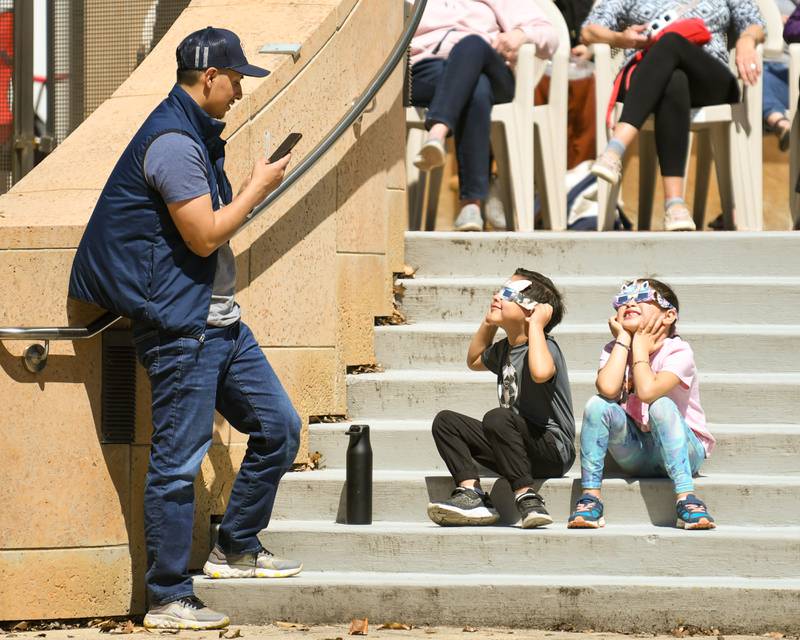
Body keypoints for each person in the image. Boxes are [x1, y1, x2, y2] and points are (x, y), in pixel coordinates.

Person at [69, 27, 302, 630]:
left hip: (220, 320)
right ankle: (169, 596)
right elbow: (203, 234)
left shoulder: (194, 133)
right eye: (235, 82)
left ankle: (239, 545)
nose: (239, 94)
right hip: (183, 327)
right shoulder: (173, 141)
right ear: (209, 78)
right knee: (177, 463)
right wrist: (257, 187)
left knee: (279, 426)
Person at [582, 0, 766, 231]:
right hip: (649, 81)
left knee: (670, 41)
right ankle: (675, 205)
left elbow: (755, 22)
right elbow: (589, 30)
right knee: (674, 80)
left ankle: (615, 148)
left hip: (710, 81)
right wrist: (622, 39)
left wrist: (747, 39)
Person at [427, 270, 575, 528]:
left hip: (552, 451)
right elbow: (474, 361)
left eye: (508, 294)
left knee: (497, 418)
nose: (497, 296)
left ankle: (526, 497)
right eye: (499, 290)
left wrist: (537, 326)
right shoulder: (504, 349)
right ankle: (471, 493)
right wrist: (489, 322)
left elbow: (540, 373)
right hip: (513, 446)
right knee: (446, 422)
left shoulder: (545, 347)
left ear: (531, 310)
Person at [568, 279, 716, 531]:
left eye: (643, 297)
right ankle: (591, 497)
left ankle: (686, 498)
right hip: (637, 451)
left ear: (669, 315)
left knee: (661, 405)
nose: (630, 302)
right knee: (596, 405)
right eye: (623, 299)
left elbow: (647, 392)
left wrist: (638, 347)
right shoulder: (614, 348)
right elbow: (607, 389)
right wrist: (625, 339)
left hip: (684, 451)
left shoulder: (678, 351)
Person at [409, 0, 558, 231]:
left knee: (472, 44)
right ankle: (471, 206)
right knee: (476, 88)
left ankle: (437, 132)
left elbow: (550, 35)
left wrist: (521, 34)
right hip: (427, 70)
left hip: (491, 67)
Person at [762, 1, 799, 151]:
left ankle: (778, 122)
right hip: (758, 67)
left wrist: (788, 23)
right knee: (754, 75)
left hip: (790, 74)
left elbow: (792, 29)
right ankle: (781, 123)